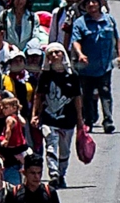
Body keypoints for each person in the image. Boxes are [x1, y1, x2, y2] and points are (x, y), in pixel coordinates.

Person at [33, 43, 85, 188]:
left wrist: (80, 120)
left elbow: (77, 98)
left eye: (58, 52)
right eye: (51, 53)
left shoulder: (72, 76)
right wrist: (35, 115)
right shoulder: (45, 76)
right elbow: (38, 96)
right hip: (49, 118)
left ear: (63, 55)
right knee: (51, 144)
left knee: (65, 150)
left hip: (68, 120)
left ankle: (61, 173)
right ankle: (53, 173)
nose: (55, 55)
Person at [71, 0, 120, 134]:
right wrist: (80, 54)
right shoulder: (80, 23)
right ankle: (88, 121)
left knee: (105, 92)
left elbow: (116, 39)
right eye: (88, 3)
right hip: (86, 68)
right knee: (87, 95)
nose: (91, 5)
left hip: (105, 65)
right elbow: (75, 41)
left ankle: (108, 121)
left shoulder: (109, 20)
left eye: (94, 2)